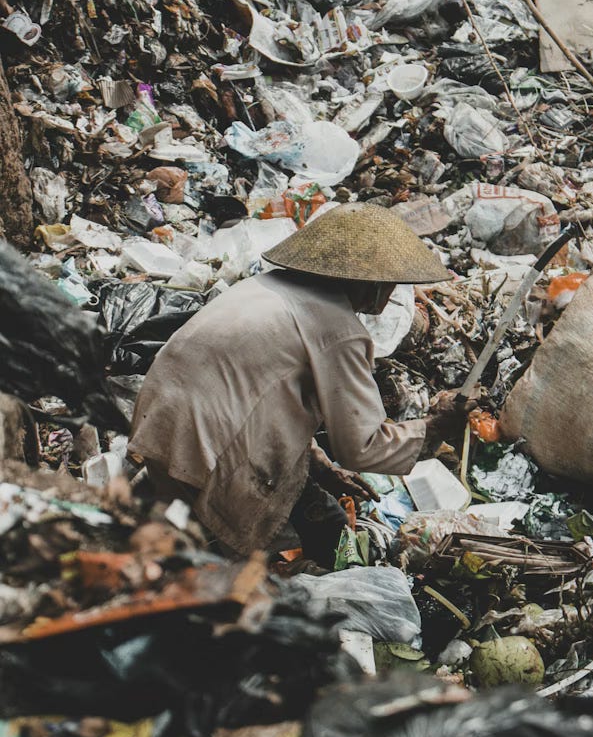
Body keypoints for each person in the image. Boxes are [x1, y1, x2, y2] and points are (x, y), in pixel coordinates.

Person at [128, 202, 466, 566]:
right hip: (208, 443)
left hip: (159, 421)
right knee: (299, 532)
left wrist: (319, 466)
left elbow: (265, 399)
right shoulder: (338, 330)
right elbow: (363, 446)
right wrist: (435, 428)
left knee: (186, 534)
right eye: (390, 283)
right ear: (370, 283)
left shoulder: (261, 285)